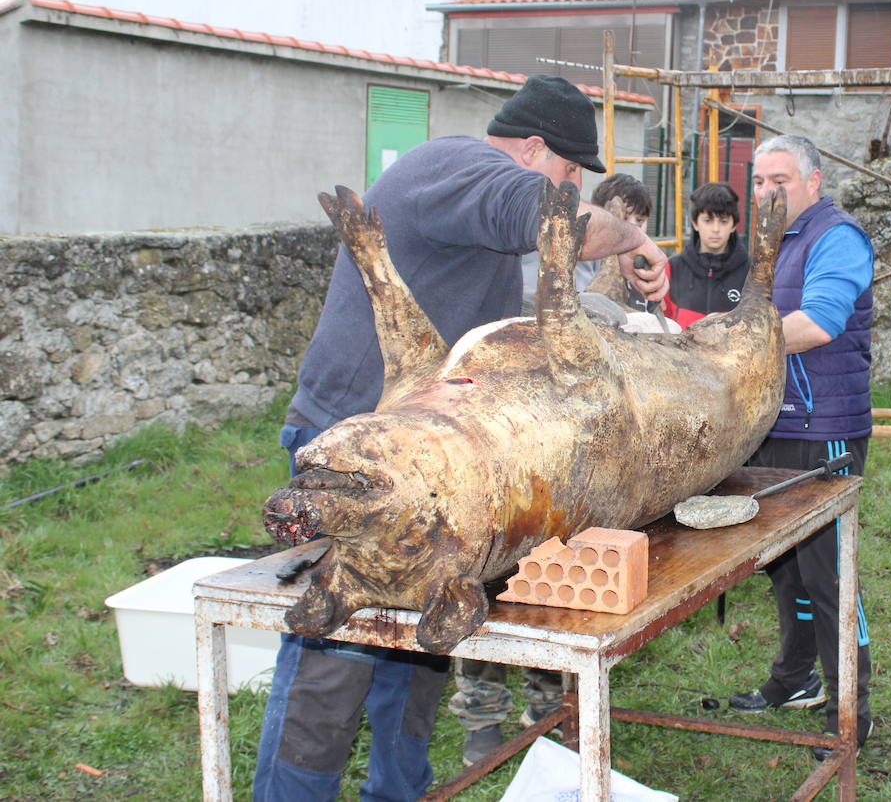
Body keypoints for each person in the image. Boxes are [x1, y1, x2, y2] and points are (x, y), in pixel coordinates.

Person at [253, 74, 667, 802]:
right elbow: (556, 222)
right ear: (534, 150)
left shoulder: (465, 191)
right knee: (338, 653)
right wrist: (631, 235)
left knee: (418, 645)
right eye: (570, 172)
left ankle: (397, 791)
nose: (571, 185)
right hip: (360, 453)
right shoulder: (461, 169)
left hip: (434, 459)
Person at [726, 134, 875, 762]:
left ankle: (853, 710)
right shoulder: (773, 243)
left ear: (814, 181)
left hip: (824, 427)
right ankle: (795, 679)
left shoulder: (836, 237)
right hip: (774, 425)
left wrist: (728, 345)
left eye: (779, 181)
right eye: (758, 182)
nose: (766, 193)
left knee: (830, 571)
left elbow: (818, 322)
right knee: (785, 567)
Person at [662, 181, 751, 328]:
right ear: (695, 223)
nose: (715, 229)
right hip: (681, 350)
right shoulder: (672, 267)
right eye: (708, 221)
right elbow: (663, 325)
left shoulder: (750, 272)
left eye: (723, 221)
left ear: (734, 225)